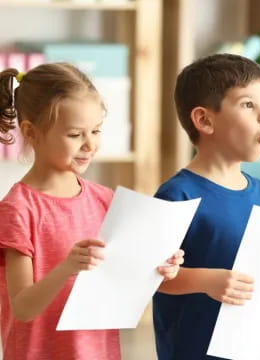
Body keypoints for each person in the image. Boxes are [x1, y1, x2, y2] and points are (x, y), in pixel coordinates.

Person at [0, 63, 184, 360]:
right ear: (30, 132)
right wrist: (67, 267)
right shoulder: (18, 209)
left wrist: (160, 267)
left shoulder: (104, 199)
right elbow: (22, 307)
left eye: (96, 130)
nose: (90, 144)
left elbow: (121, 279)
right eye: (74, 134)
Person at [152, 53, 260, 359]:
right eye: (248, 104)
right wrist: (206, 280)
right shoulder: (177, 194)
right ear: (204, 120)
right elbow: (151, 278)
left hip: (250, 347)